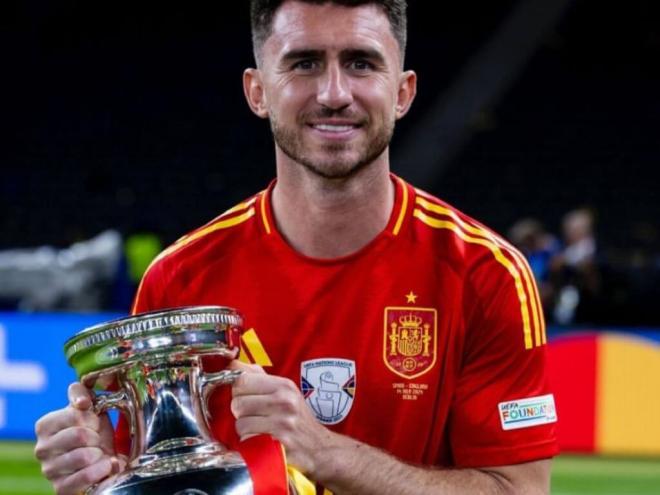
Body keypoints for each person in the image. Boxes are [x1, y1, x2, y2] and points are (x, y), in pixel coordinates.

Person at [34, 1, 558, 493]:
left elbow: (519, 488)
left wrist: (328, 454)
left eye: (361, 63)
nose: (333, 93)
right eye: (304, 64)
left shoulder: (487, 275)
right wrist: (106, 472)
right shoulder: (180, 281)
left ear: (403, 92)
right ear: (257, 91)